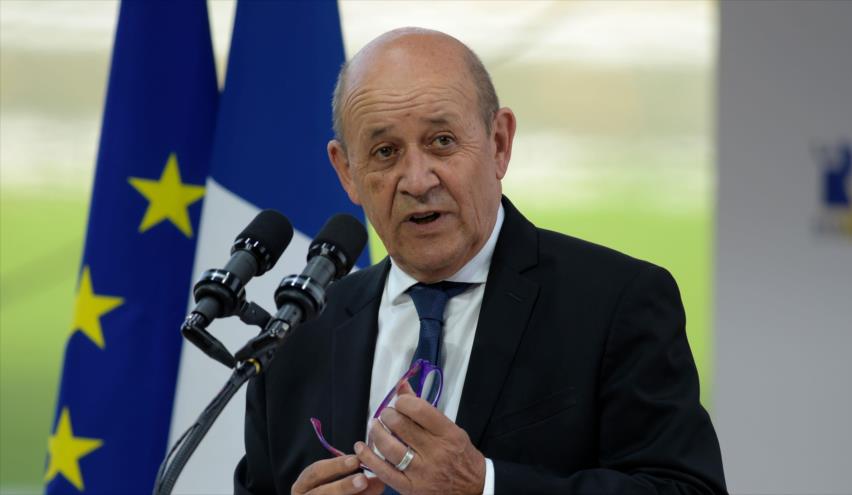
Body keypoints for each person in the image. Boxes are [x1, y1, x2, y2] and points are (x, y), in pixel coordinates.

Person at [234, 28, 726, 495]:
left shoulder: (615, 304)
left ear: (499, 143)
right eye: (385, 152)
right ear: (347, 172)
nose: (417, 179)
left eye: (441, 141)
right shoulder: (295, 340)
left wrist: (483, 486)